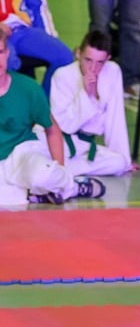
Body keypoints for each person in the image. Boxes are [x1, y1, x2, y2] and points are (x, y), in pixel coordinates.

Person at [0, 27, 105, 206]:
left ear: (7, 53)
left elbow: (52, 129)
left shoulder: (28, 89)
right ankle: (35, 195)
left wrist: (60, 172)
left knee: (43, 174)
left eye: (0, 52)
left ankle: (71, 187)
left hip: (23, 154)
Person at [49, 30, 133, 176]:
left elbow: (115, 118)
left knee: (119, 162)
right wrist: (86, 94)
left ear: (108, 59)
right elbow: (64, 125)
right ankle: (58, 168)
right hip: (61, 142)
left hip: (85, 146)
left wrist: (125, 159)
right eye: (88, 60)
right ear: (78, 54)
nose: (93, 68)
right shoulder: (62, 75)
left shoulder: (112, 71)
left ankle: (61, 170)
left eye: (100, 62)